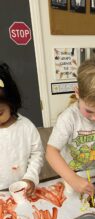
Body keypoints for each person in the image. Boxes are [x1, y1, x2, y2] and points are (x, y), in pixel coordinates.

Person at [46, 58, 95, 195]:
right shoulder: (68, 118)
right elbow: (51, 152)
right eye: (89, 111)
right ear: (78, 92)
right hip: (73, 172)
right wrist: (73, 179)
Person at [0, 63, 43, 196]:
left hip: (24, 189)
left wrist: (30, 177)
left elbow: (37, 154)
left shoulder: (26, 127)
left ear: (11, 102)